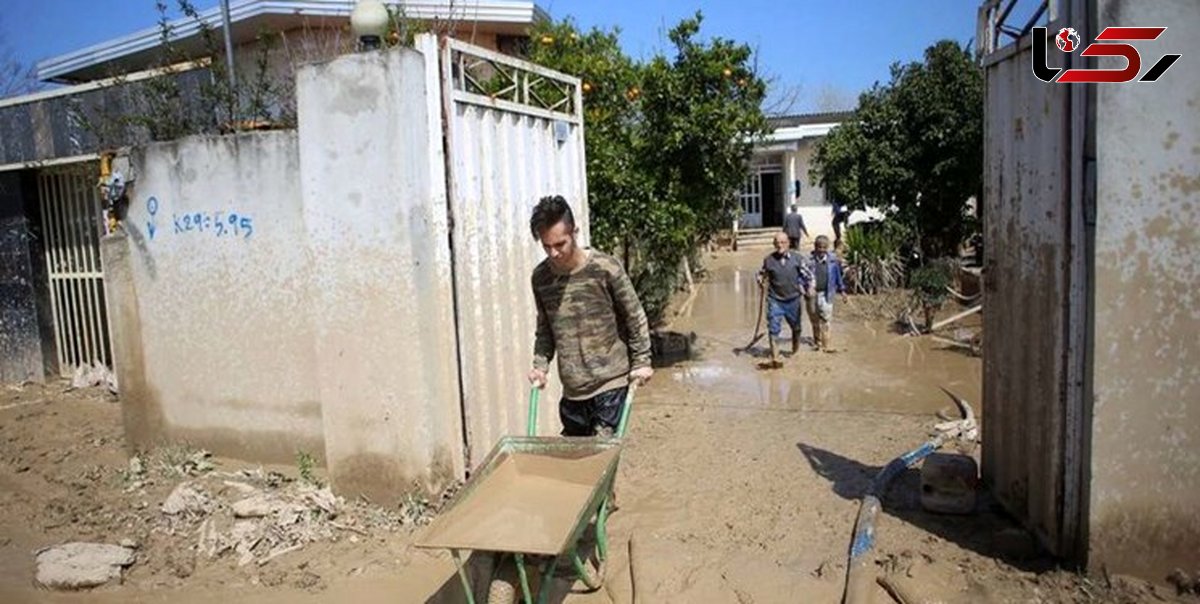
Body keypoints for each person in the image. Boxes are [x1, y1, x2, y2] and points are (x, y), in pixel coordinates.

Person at [527, 195, 653, 437]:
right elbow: (546, 329)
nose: (553, 253)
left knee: (598, 456)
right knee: (577, 466)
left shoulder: (606, 268)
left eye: (560, 244)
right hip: (573, 390)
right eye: (546, 246)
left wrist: (642, 362)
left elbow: (634, 316)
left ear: (574, 232)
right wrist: (540, 367)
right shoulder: (541, 278)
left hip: (610, 383)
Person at [758, 231, 814, 363]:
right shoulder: (768, 260)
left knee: (796, 327)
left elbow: (809, 275)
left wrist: (810, 287)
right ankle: (775, 357)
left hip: (793, 299)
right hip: (775, 299)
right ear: (773, 244)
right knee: (773, 327)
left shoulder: (797, 258)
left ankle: (795, 351)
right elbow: (761, 273)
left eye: (783, 242)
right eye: (777, 243)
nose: (780, 245)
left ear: (788, 243)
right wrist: (760, 280)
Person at [806, 235, 846, 352]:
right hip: (812, 295)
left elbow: (838, 277)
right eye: (819, 247)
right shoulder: (809, 261)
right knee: (814, 320)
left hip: (827, 294)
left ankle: (826, 345)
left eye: (824, 247)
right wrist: (803, 289)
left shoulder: (833, 261)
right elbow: (802, 277)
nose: (821, 250)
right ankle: (817, 342)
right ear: (815, 247)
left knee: (826, 319)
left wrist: (842, 291)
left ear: (827, 247)